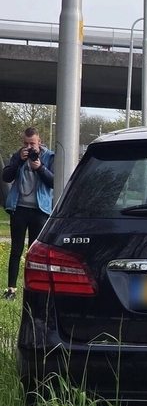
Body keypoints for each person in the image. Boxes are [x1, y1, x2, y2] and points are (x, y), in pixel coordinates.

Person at [3, 128, 55, 300]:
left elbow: (55, 182)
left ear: (39, 141)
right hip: (19, 208)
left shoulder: (49, 157)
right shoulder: (18, 156)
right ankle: (11, 289)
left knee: (35, 252)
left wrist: (40, 168)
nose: (29, 147)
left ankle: (33, 289)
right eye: (25, 143)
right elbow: (6, 177)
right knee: (16, 249)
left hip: (40, 210)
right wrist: (18, 160)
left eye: (32, 143)